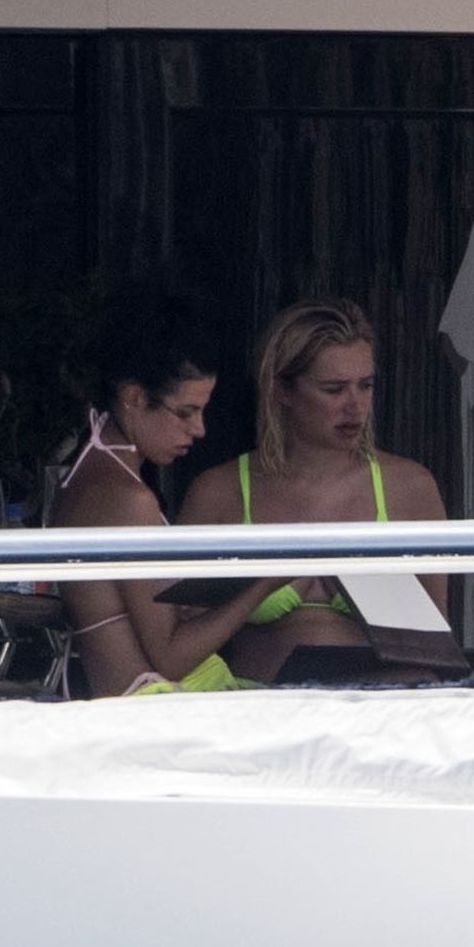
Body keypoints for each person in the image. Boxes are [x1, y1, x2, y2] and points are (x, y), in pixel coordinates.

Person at [181, 299, 449, 683]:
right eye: (334, 389)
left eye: (366, 385)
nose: (355, 406)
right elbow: (181, 640)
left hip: (378, 705)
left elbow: (437, 648)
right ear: (283, 391)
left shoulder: (409, 487)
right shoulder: (219, 493)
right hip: (253, 703)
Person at [54, 287, 286, 696]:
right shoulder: (129, 500)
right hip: (162, 708)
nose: (199, 429)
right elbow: (171, 657)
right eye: (185, 412)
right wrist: (264, 584)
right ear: (134, 397)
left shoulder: (82, 478)